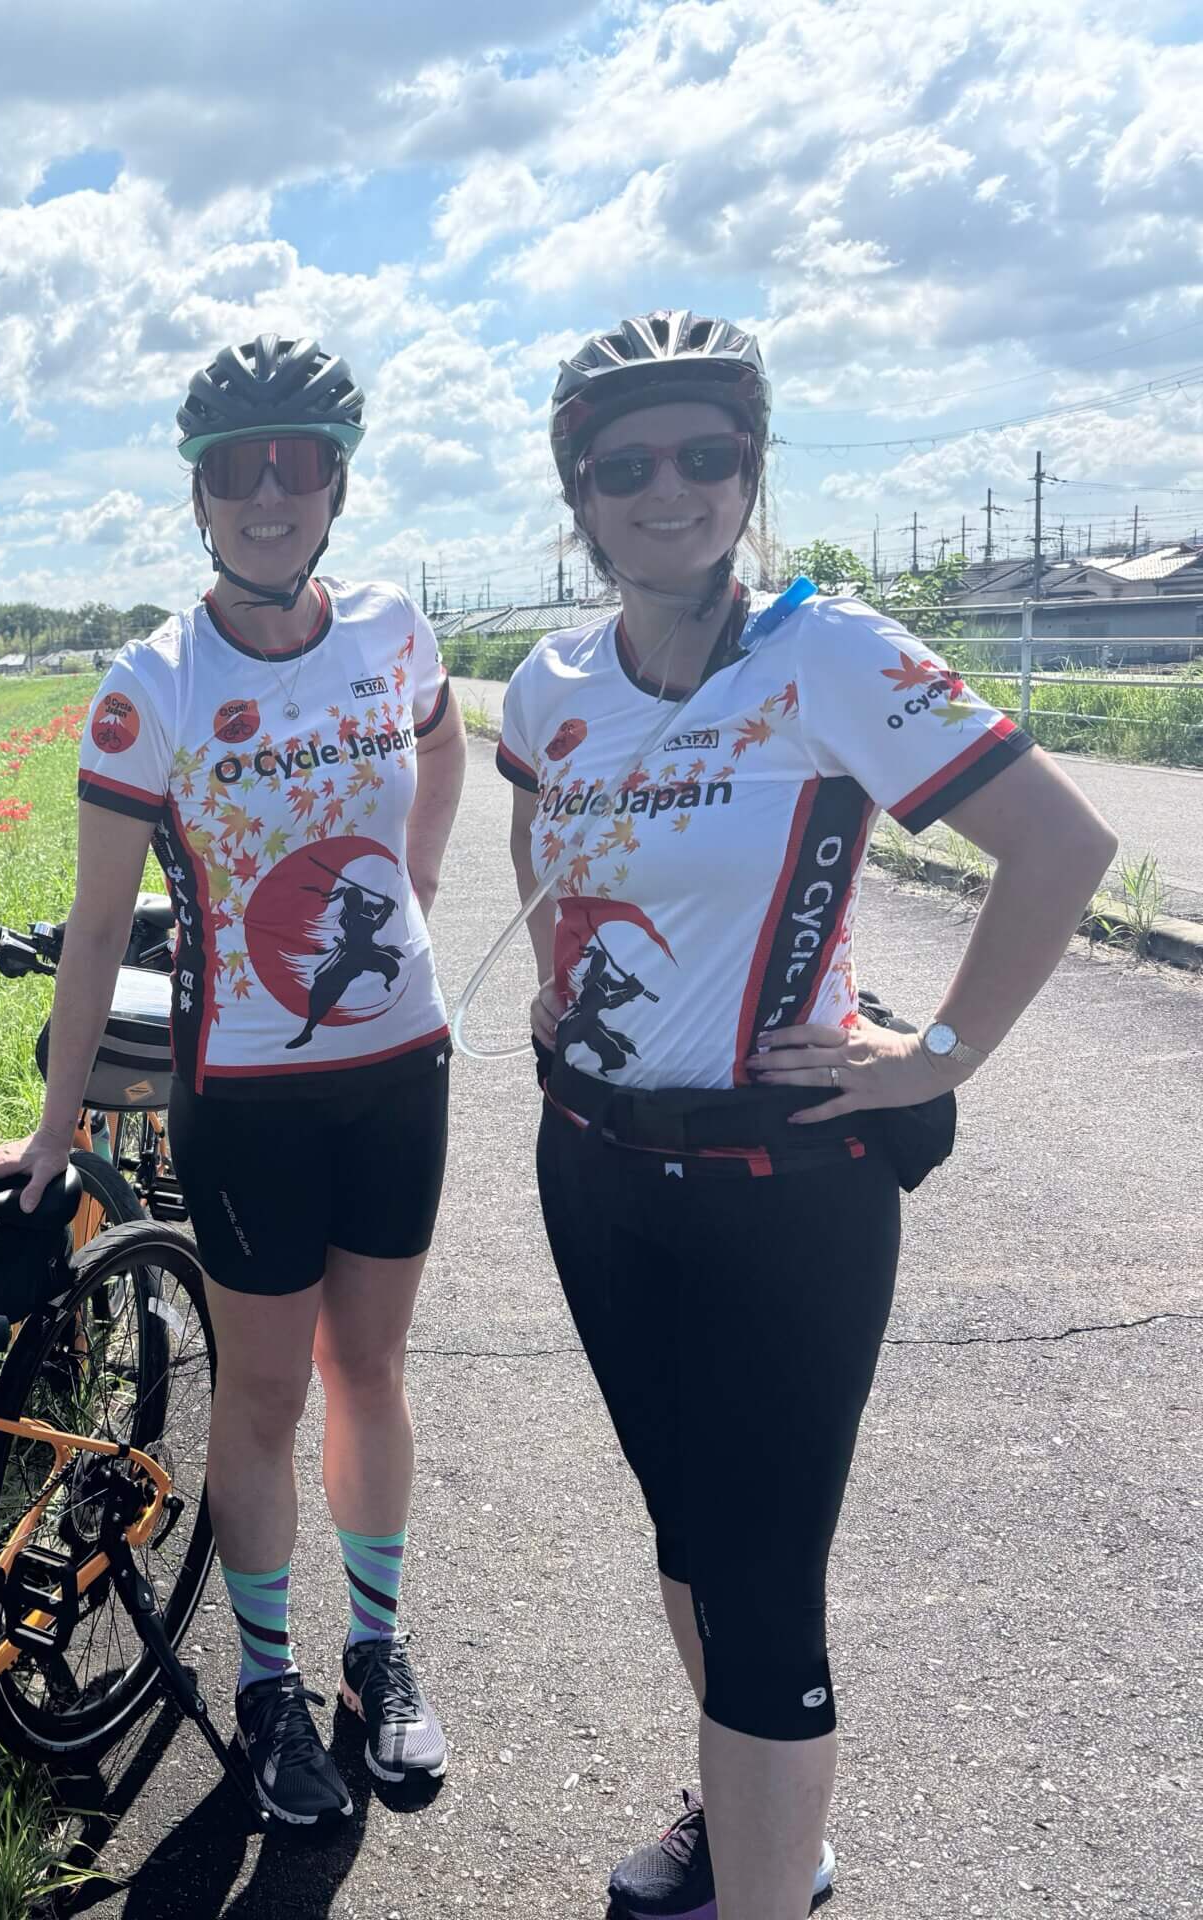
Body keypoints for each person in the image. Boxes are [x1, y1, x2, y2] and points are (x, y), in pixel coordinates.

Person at [500, 311, 1118, 1920]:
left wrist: (944, 1055)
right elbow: (536, 830)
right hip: (597, 1173)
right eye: (627, 464)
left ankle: (772, 1881)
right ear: (580, 493)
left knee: (766, 1592)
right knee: (691, 1545)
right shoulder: (555, 680)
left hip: (788, 1190)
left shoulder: (828, 652)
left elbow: (1061, 847)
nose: (670, 488)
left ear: (753, 471)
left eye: (708, 453)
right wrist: (563, 978)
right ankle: (750, 1819)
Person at [0, 334, 467, 1825]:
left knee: (368, 1372)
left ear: (335, 486)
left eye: (295, 464)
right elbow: (102, 918)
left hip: (398, 1073)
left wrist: (419, 886)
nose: (267, 494)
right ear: (198, 497)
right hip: (244, 1095)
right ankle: (267, 1683)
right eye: (236, 470)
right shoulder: (151, 687)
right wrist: (57, 1130)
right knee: (258, 1392)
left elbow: (440, 753)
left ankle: (377, 1655)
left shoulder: (391, 631)